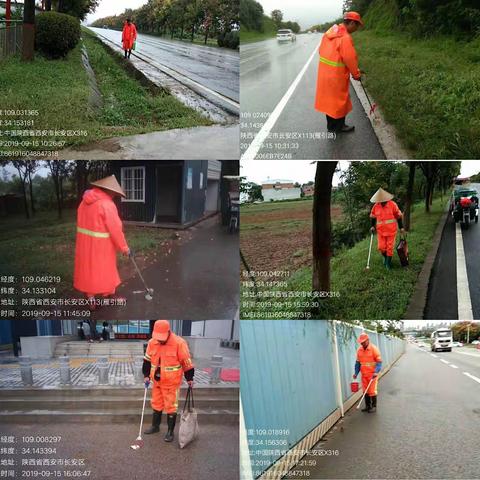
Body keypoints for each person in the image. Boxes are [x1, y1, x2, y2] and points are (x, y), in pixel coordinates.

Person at [73, 175, 130, 309]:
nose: (115, 196)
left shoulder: (83, 202)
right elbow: (115, 229)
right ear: (108, 190)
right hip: (102, 246)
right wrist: (124, 248)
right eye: (114, 193)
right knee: (106, 269)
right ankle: (109, 293)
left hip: (84, 244)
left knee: (88, 270)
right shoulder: (107, 205)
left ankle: (91, 298)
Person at [143, 320, 195, 442]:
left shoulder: (179, 343)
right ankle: (155, 426)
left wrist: (190, 378)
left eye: (162, 338)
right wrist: (146, 375)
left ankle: (170, 432)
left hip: (171, 383)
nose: (160, 340)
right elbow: (147, 360)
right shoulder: (152, 342)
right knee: (156, 404)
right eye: (158, 337)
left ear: (168, 332)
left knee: (171, 407)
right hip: (157, 381)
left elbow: (186, 363)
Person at [314, 11, 363, 133]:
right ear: (351, 23)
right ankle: (339, 127)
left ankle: (331, 127)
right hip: (337, 76)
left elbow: (321, 50)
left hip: (324, 73)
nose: (356, 29)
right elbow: (350, 59)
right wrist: (356, 74)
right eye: (356, 26)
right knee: (340, 101)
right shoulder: (345, 38)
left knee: (330, 101)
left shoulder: (330, 32)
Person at [369, 187, 405, 270]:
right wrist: (372, 226)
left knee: (389, 248)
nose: (381, 201)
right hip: (380, 231)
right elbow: (373, 216)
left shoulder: (392, 204)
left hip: (391, 231)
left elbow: (398, 216)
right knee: (381, 247)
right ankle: (385, 257)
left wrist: (401, 227)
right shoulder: (376, 206)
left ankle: (388, 263)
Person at [353, 333, 382, 413]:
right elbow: (358, 363)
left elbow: (379, 362)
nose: (362, 343)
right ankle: (367, 406)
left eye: (363, 342)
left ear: (368, 340)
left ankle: (374, 406)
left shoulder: (374, 349)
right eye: (361, 342)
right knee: (365, 390)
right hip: (364, 375)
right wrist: (356, 373)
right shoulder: (359, 350)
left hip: (372, 374)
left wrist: (376, 372)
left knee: (372, 391)